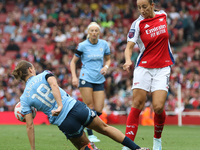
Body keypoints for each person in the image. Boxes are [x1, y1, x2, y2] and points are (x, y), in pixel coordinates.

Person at [12, 60, 150, 150]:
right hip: (76, 108)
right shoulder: (44, 74)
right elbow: (54, 85)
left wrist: (33, 149)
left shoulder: (24, 98)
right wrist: (60, 105)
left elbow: (30, 126)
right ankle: (137, 149)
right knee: (105, 128)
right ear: (30, 69)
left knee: (84, 146)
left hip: (64, 122)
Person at [122, 0, 175, 150]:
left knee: (158, 107)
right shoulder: (137, 24)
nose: (142, 10)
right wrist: (127, 60)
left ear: (152, 5)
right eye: (139, 7)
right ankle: (127, 146)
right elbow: (129, 47)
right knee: (137, 104)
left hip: (163, 67)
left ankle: (157, 141)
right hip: (143, 68)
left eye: (144, 7)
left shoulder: (163, 15)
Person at [70, 22, 110, 144]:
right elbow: (73, 62)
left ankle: (83, 125)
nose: (93, 33)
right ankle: (91, 135)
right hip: (85, 78)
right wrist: (74, 77)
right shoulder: (82, 45)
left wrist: (106, 67)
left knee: (99, 109)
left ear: (99, 32)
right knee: (89, 106)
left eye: (96, 31)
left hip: (99, 79)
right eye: (91, 31)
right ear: (88, 32)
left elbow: (108, 59)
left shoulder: (104, 44)